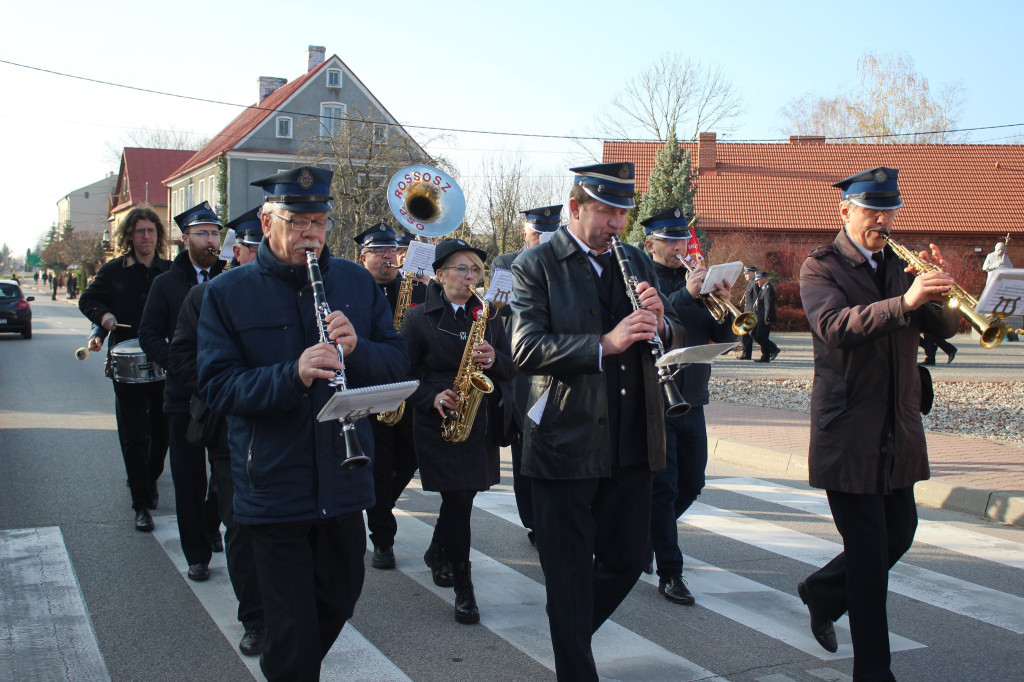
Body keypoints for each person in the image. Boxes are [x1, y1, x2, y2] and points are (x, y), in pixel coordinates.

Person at [197, 167, 406, 681]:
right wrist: (292, 374)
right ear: (268, 222)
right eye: (299, 222)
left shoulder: (355, 282)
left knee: (338, 600)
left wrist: (358, 350)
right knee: (291, 628)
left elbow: (398, 362)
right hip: (272, 481)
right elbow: (219, 386)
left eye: (320, 221)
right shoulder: (227, 294)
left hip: (344, 473)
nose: (312, 233)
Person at [510, 162, 685, 681]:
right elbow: (525, 347)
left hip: (632, 435)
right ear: (575, 209)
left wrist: (663, 322)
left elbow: (662, 334)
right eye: (605, 211)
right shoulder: (536, 264)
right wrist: (605, 344)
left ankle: (569, 629)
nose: (615, 224)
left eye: (622, 213)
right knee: (567, 574)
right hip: (566, 437)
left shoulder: (633, 259)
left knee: (628, 558)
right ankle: (574, 664)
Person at [798, 167, 959, 681]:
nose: (884, 221)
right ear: (844, 210)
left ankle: (822, 592)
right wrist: (905, 301)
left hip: (897, 426)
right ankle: (874, 672)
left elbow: (942, 327)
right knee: (869, 558)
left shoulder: (899, 265)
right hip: (847, 431)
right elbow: (835, 327)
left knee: (900, 535)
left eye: (890, 210)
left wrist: (941, 294)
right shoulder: (819, 268)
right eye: (873, 210)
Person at [167, 206, 265, 656]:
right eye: (250, 247)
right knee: (241, 525)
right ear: (236, 249)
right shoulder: (205, 297)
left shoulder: (304, 289)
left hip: (285, 429)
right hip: (229, 428)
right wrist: (229, 386)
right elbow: (184, 359)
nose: (258, 254)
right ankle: (255, 619)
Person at [401, 238, 515, 623]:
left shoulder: (490, 315)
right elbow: (403, 372)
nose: (470, 277)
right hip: (438, 419)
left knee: (461, 498)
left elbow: (511, 368)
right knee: (458, 499)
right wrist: (432, 396)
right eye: (461, 269)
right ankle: (465, 591)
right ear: (439, 274)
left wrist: (495, 357)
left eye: (475, 271)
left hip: (477, 417)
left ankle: (437, 551)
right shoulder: (417, 318)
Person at [641, 207, 737, 606]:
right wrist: (687, 294)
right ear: (651, 244)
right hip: (657, 397)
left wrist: (724, 303)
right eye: (671, 240)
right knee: (662, 489)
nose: (681, 247)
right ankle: (671, 571)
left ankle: (646, 536)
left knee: (692, 483)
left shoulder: (695, 277)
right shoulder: (640, 277)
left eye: (683, 239)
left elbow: (720, 332)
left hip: (692, 397)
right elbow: (653, 316)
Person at [139, 201, 226, 581]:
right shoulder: (166, 283)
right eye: (203, 233)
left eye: (214, 233)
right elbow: (148, 335)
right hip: (183, 396)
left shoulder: (231, 277)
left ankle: (211, 523)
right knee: (188, 478)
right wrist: (180, 368)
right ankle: (197, 552)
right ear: (185, 239)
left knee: (226, 476)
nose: (211, 240)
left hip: (223, 394)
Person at [79, 207, 172, 531]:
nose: (146, 236)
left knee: (162, 432)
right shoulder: (113, 271)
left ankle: (148, 478)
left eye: (151, 231)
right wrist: (103, 318)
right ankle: (141, 503)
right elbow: (87, 300)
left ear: (158, 236)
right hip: (126, 363)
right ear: (129, 236)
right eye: (140, 231)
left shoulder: (169, 271)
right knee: (133, 434)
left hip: (163, 361)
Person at [353, 222, 425, 571]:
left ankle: (376, 505)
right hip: (371, 391)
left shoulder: (414, 289)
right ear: (362, 256)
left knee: (409, 459)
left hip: (409, 390)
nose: (388, 257)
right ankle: (383, 538)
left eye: (391, 250)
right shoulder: (353, 290)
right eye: (379, 251)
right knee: (380, 467)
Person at [491, 204, 562, 547]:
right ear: (526, 232)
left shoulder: (566, 261)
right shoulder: (507, 262)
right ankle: (533, 520)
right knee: (524, 443)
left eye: (550, 234)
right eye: (538, 234)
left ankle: (556, 512)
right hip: (521, 365)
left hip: (558, 361)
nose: (543, 240)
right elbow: (499, 306)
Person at [752, 271, 780, 362]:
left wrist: (767, 318)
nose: (757, 282)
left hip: (764, 317)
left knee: (760, 336)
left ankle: (774, 349)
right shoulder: (763, 288)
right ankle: (765, 355)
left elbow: (768, 305)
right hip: (760, 316)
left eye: (758, 280)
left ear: (764, 279)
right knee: (756, 335)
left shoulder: (768, 289)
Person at [737, 265, 758, 359]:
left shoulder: (755, 283)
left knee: (748, 334)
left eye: (747, 274)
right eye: (745, 274)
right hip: (747, 311)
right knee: (745, 334)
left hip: (751, 312)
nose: (745, 276)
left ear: (753, 273)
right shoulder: (750, 283)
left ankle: (747, 354)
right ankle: (746, 354)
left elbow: (757, 299)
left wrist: (754, 312)